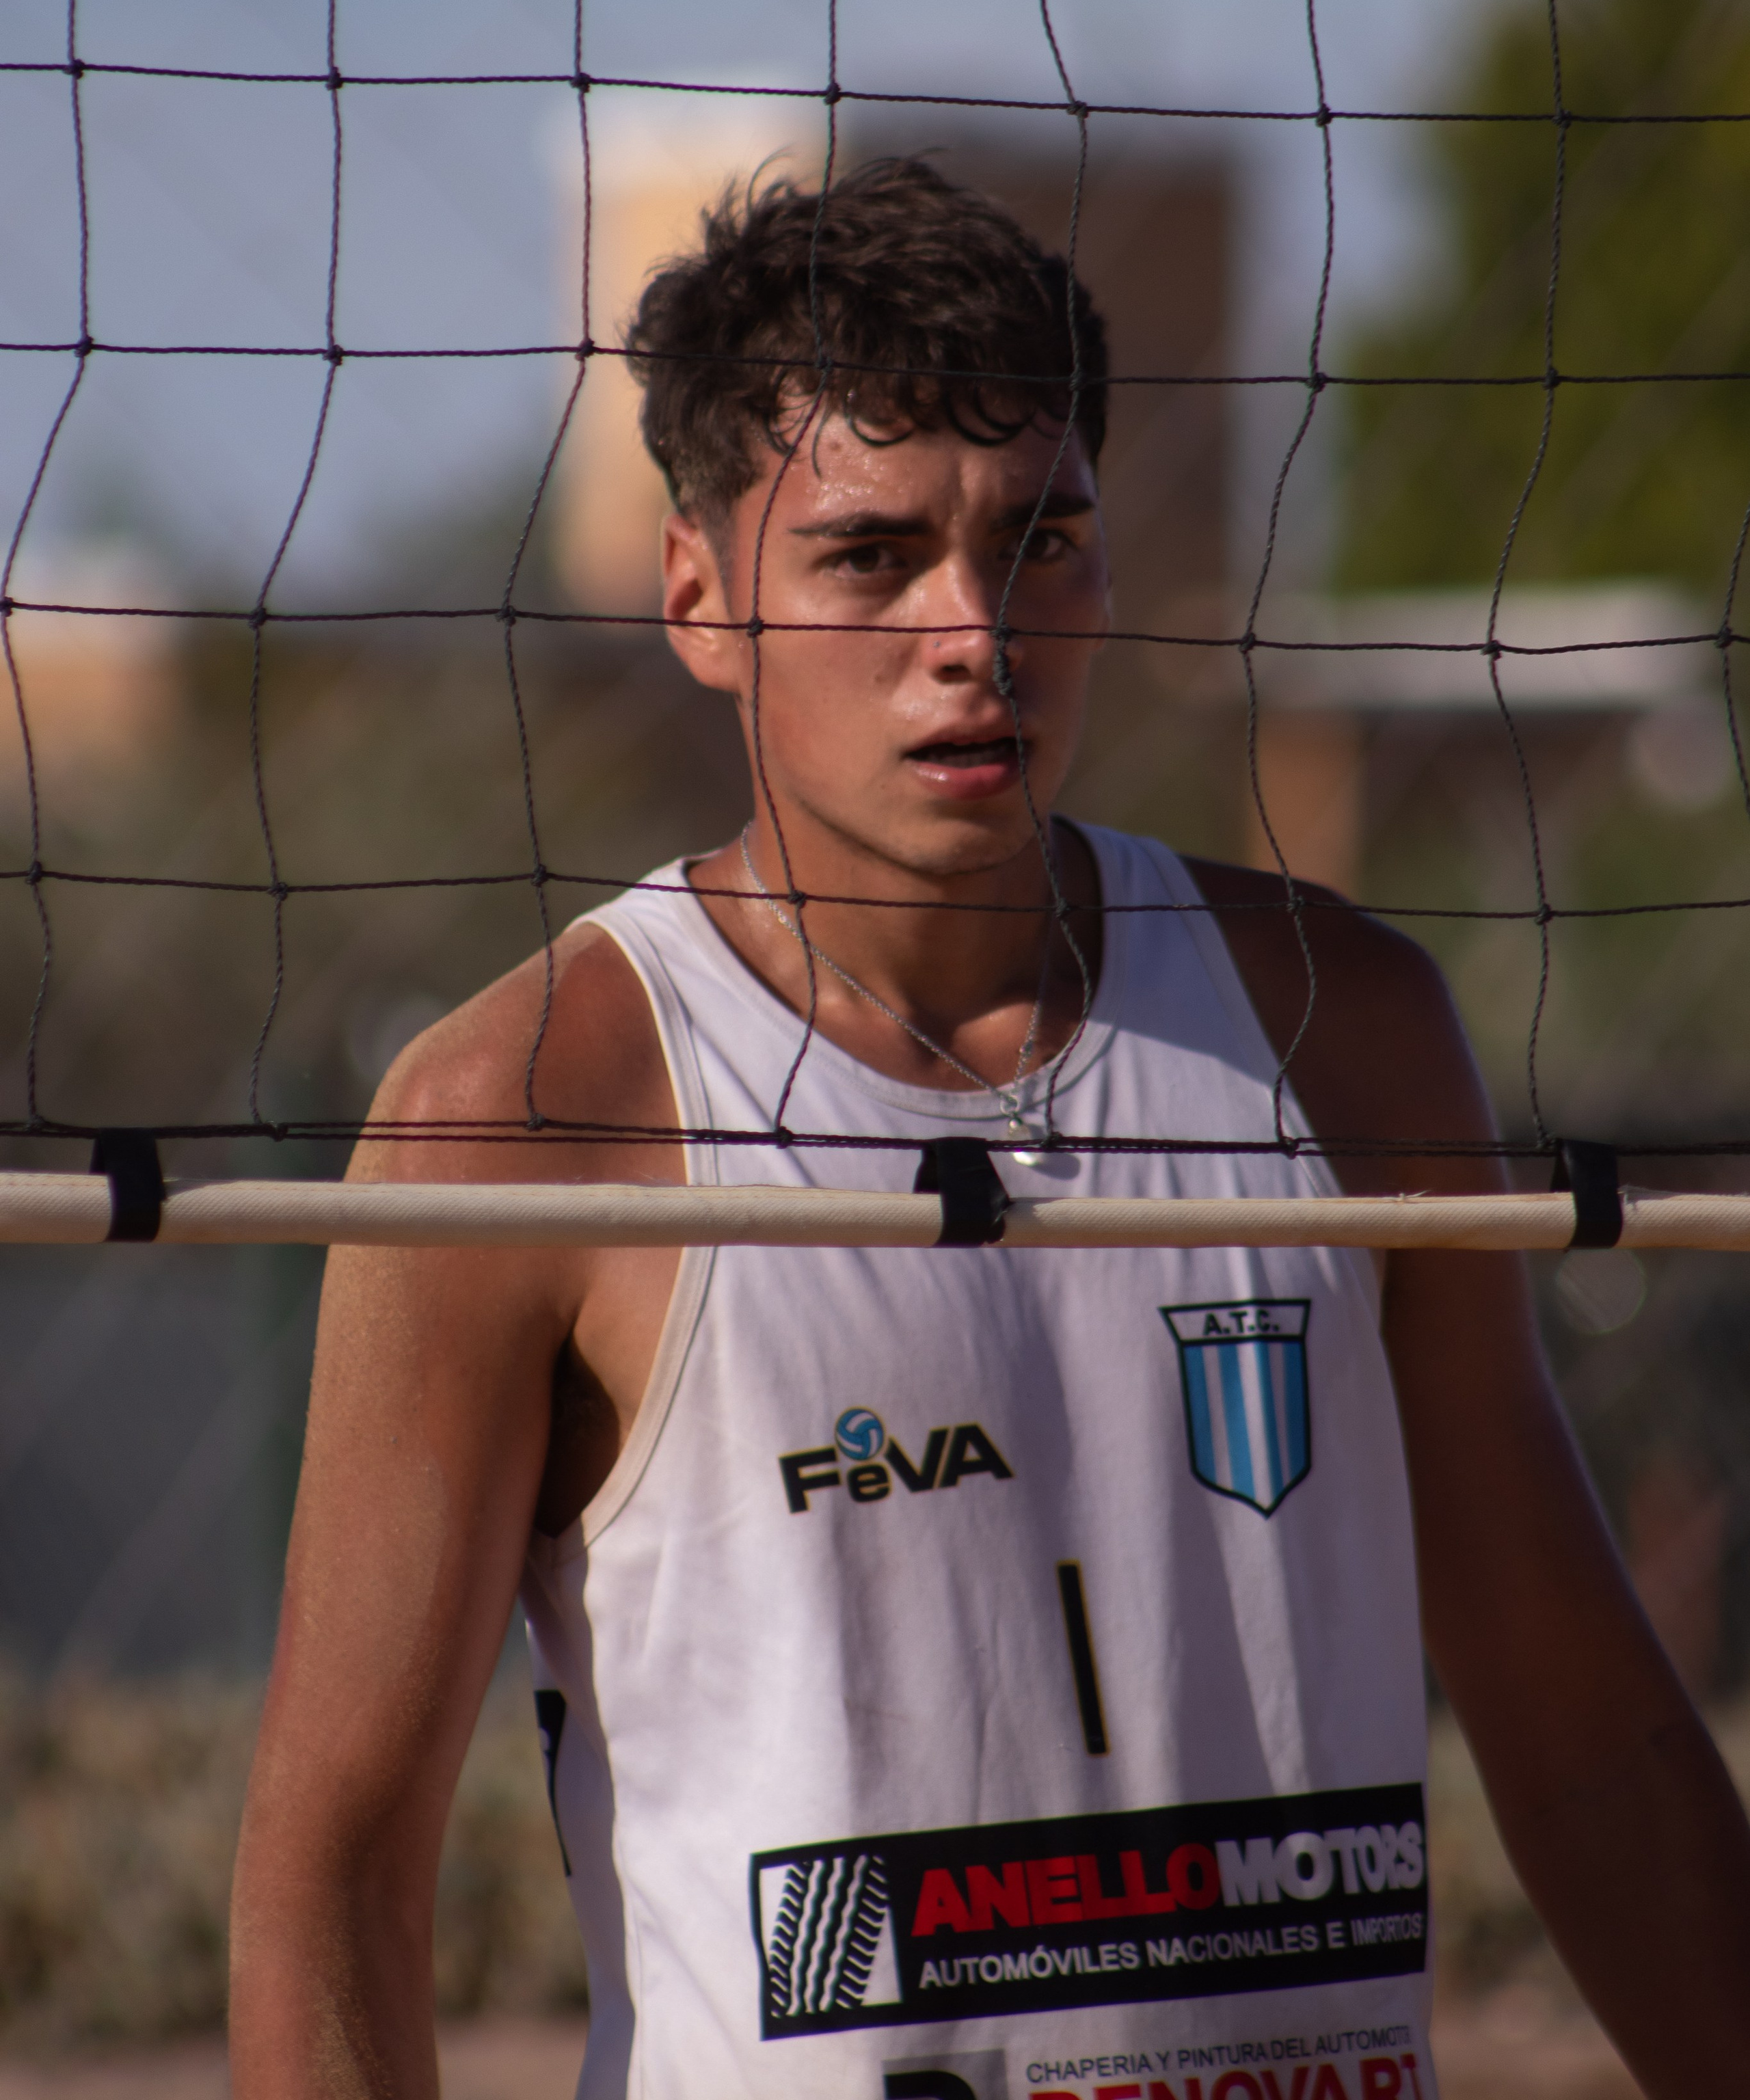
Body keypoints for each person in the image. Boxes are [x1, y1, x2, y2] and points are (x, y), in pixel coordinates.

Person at [230, 161, 1750, 2100]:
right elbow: (333, 1870)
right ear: (700, 595)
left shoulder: (1340, 1032)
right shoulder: (524, 1116)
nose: (977, 632)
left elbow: (1587, 1733)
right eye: (871, 557)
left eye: (1041, 541)